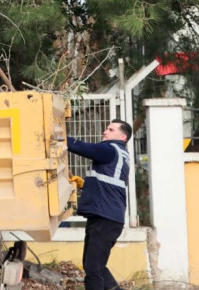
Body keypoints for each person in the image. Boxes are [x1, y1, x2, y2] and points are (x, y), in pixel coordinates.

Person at [67, 119, 132, 290]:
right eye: (106, 128)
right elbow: (107, 183)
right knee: (95, 266)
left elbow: (80, 147)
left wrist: (57, 138)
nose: (105, 131)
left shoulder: (110, 149)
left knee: (93, 270)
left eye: (110, 129)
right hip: (107, 217)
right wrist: (85, 185)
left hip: (106, 218)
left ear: (122, 136)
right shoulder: (121, 153)